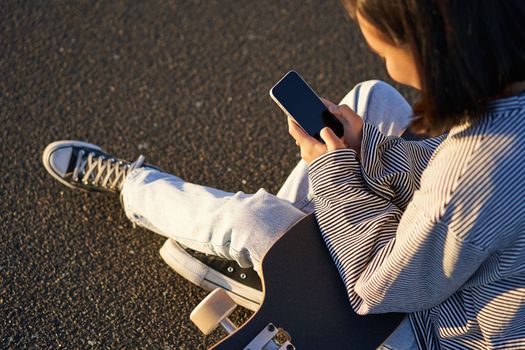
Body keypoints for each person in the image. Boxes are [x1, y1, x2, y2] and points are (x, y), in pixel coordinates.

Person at [42, 0, 525, 349]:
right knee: (372, 100)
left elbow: (377, 286)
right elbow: (446, 178)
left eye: (385, 48)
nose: (385, 61)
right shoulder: (506, 103)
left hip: (434, 327)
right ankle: (275, 274)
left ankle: (135, 188)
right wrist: (367, 148)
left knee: (257, 220)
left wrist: (331, 171)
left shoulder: (474, 169)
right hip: (457, 266)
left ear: (432, 47)